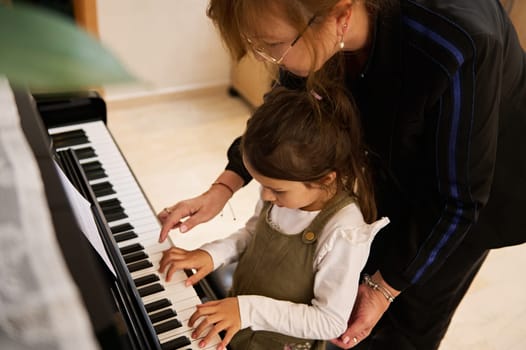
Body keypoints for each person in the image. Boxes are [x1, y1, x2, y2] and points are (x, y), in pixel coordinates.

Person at [158, 0, 526, 349]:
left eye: (273, 46)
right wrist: (225, 185)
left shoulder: (457, 42)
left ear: (341, 16)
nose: (272, 62)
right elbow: (286, 106)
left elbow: (456, 201)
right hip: (399, 157)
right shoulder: (315, 26)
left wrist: (384, 289)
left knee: (406, 321)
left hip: (476, 192)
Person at [158, 86, 389, 350]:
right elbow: (251, 234)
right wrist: (212, 255)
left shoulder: (344, 231)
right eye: (261, 184)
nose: (266, 196)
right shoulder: (284, 195)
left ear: (325, 179)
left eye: (276, 189)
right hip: (240, 325)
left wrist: (247, 310)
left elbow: (330, 321)